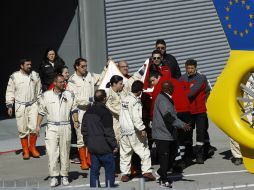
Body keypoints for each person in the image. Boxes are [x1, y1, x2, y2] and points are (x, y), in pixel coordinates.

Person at [36, 74, 79, 187]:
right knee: (52, 153)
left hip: (65, 126)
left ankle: (64, 176)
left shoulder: (69, 95)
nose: (63, 83)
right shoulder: (46, 96)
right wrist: (37, 125)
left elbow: (74, 109)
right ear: (55, 83)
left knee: (65, 152)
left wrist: (76, 121)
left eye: (64, 82)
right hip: (52, 127)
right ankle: (54, 177)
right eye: (60, 82)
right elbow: (41, 112)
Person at [67, 58, 106, 170]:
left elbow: (101, 78)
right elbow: (75, 99)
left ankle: (90, 159)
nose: (85, 68)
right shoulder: (72, 81)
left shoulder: (89, 75)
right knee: (81, 136)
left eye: (86, 66)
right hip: (79, 111)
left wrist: (107, 67)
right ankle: (83, 161)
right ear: (76, 67)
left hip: (90, 110)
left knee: (92, 135)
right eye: (83, 66)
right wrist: (91, 99)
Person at [152, 80, 190, 187]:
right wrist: (182, 125)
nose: (174, 89)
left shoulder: (166, 98)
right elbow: (168, 116)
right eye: (172, 87)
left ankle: (160, 172)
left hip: (169, 133)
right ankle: (163, 180)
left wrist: (181, 124)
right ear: (168, 89)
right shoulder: (163, 100)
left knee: (172, 155)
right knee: (165, 157)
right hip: (162, 134)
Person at [119, 80, 155, 182]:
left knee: (125, 153)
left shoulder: (125, 100)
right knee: (144, 151)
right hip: (133, 131)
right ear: (139, 91)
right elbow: (136, 117)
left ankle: (125, 174)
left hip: (124, 131)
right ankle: (147, 172)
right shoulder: (135, 102)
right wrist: (142, 128)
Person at [6, 58, 41, 160]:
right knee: (22, 129)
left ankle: (33, 148)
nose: (30, 66)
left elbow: (39, 90)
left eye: (30, 64)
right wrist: (9, 105)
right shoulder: (14, 77)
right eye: (27, 65)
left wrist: (40, 103)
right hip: (20, 105)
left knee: (34, 127)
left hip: (33, 104)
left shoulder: (35, 75)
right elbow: (10, 91)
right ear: (22, 66)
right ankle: (25, 150)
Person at [81, 89, 117, 187]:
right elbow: (108, 131)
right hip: (105, 148)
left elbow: (84, 130)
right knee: (109, 171)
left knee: (94, 172)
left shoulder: (87, 112)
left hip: (92, 148)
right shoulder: (105, 113)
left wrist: (88, 143)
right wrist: (114, 145)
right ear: (104, 98)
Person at [179, 59, 212, 164]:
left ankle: (200, 155)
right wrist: (189, 88)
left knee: (200, 133)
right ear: (185, 68)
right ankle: (188, 155)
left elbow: (191, 93)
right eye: (188, 68)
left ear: (196, 68)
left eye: (192, 68)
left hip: (200, 111)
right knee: (187, 133)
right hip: (187, 111)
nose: (190, 70)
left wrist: (187, 89)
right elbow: (179, 93)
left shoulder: (201, 78)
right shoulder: (181, 79)